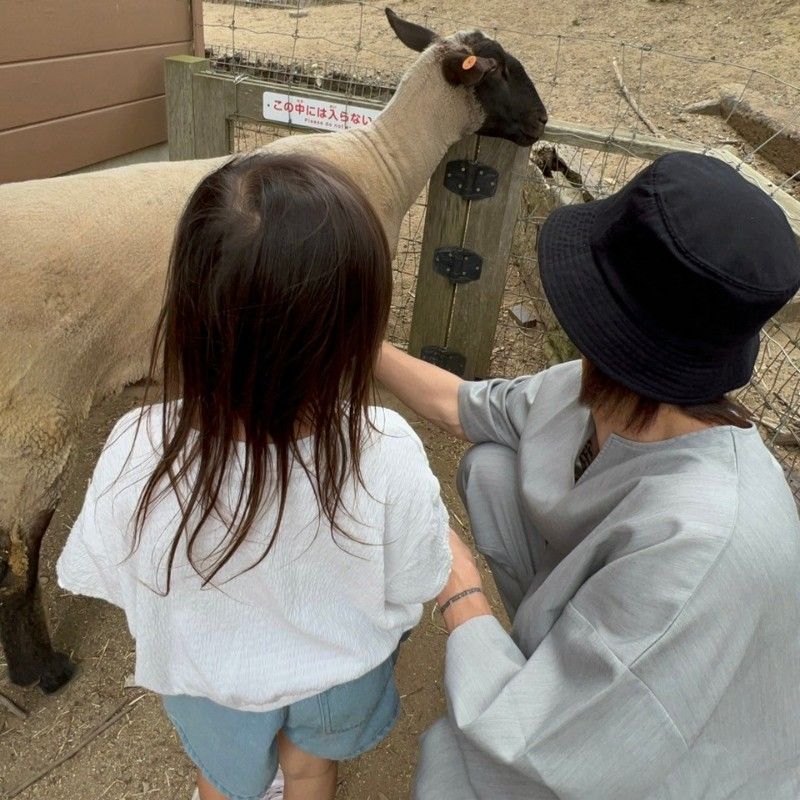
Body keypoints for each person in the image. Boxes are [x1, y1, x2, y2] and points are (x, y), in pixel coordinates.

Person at [377, 152, 800, 799]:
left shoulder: (705, 542)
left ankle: (533, 669)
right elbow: (462, 406)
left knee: (457, 774)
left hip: (682, 758)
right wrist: (357, 345)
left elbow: (542, 753)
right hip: (621, 628)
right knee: (492, 465)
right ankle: (541, 655)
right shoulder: (611, 392)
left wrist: (458, 586)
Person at [56, 153, 452, 800]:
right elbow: (415, 583)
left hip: (212, 678)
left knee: (221, 776)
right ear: (357, 335)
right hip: (338, 673)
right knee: (310, 769)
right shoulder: (388, 452)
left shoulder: (137, 450)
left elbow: (121, 575)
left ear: (187, 315)